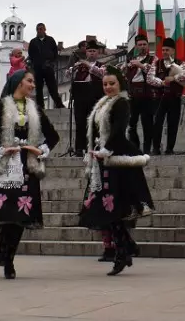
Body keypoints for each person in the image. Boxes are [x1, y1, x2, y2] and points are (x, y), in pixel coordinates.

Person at [0, 70, 60, 279]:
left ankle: (9, 259)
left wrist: (39, 150)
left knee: (20, 215)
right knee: (3, 211)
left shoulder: (36, 109)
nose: (33, 85)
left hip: (26, 166)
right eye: (29, 81)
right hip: (4, 164)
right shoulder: (2, 106)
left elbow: (53, 136)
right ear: (18, 82)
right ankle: (3, 250)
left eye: (33, 81)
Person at [79, 65, 154, 276]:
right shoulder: (102, 104)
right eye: (105, 84)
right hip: (101, 161)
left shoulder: (122, 103)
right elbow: (94, 131)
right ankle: (126, 247)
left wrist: (106, 150)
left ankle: (123, 252)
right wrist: (93, 151)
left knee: (113, 209)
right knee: (105, 210)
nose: (108, 87)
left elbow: (119, 131)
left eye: (112, 83)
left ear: (120, 83)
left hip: (116, 160)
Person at [149, 38, 185, 155]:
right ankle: (156, 148)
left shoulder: (180, 63)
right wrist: (161, 82)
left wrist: (173, 78)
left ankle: (170, 149)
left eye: (167, 50)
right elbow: (150, 78)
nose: (164, 52)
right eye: (163, 50)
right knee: (157, 123)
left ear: (173, 51)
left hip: (174, 98)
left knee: (173, 124)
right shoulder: (157, 63)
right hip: (159, 98)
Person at [68, 40, 106, 156]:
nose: (92, 54)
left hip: (95, 98)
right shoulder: (79, 66)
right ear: (86, 52)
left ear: (98, 53)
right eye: (89, 51)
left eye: (94, 51)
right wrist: (74, 67)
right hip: (80, 98)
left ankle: (95, 146)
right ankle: (79, 148)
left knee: (95, 123)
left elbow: (102, 74)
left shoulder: (101, 65)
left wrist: (88, 65)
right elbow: (68, 74)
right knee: (80, 123)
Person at [124, 35, 157, 154]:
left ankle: (147, 148)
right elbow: (125, 75)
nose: (142, 47)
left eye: (144, 44)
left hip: (147, 94)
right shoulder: (131, 59)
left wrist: (141, 65)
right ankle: (135, 147)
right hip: (133, 94)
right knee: (131, 123)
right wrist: (124, 68)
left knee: (147, 123)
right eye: (140, 45)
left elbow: (155, 72)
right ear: (136, 46)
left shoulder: (153, 59)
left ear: (148, 46)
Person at [28, 23, 63, 110]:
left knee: (52, 87)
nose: (39, 31)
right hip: (38, 68)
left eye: (41, 29)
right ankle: (40, 106)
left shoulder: (50, 40)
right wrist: (34, 64)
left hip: (48, 67)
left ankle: (59, 104)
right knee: (39, 88)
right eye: (38, 29)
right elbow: (31, 54)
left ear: (44, 29)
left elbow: (55, 53)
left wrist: (51, 63)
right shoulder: (33, 42)